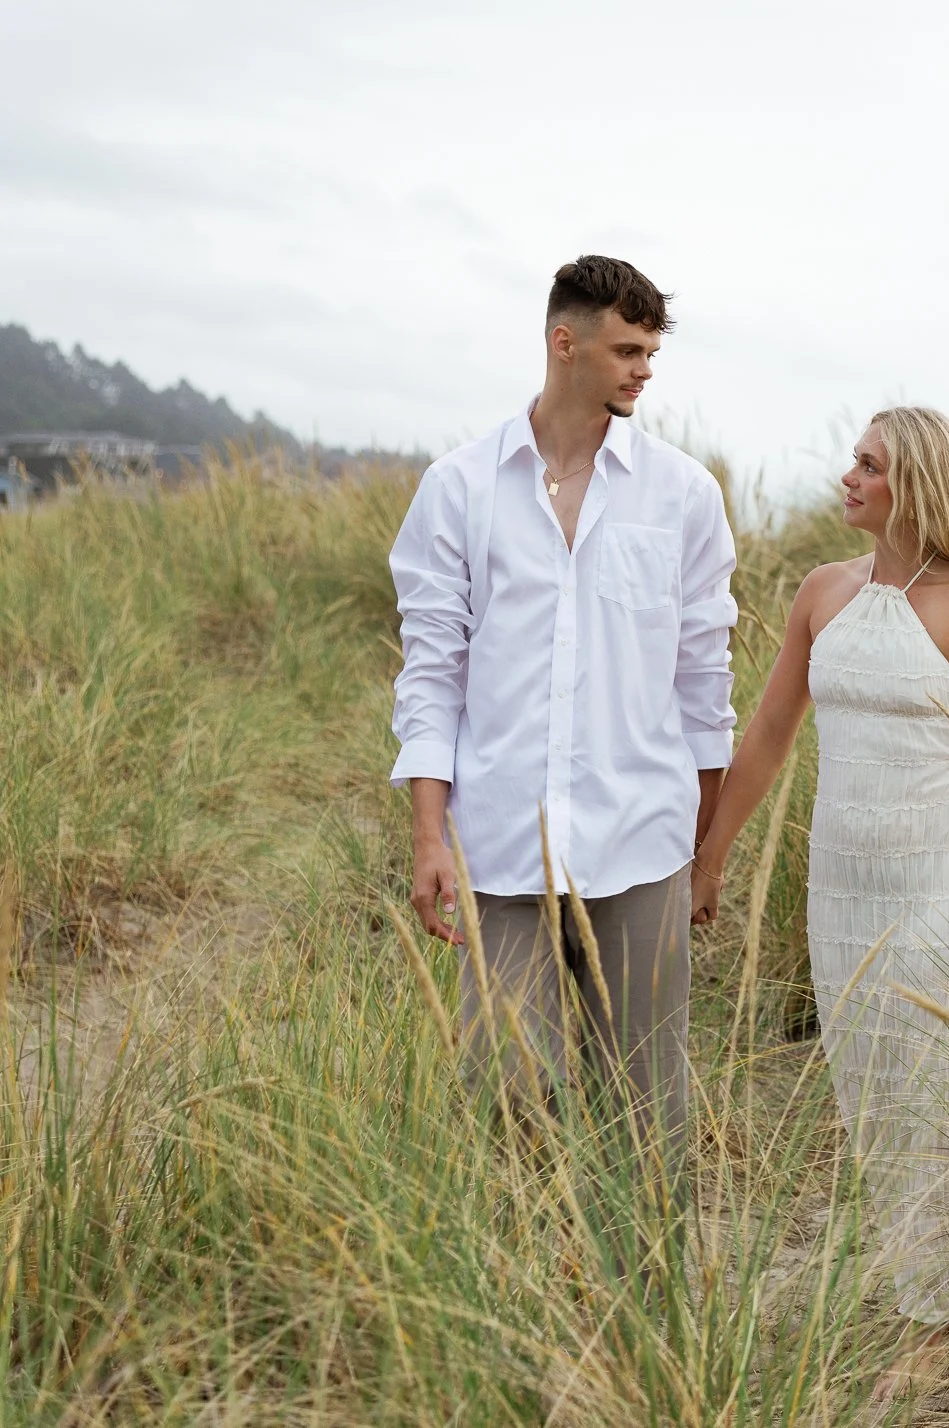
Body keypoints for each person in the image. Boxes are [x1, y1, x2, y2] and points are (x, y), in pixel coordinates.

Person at [689, 406, 949, 1399]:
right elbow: (768, 730)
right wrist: (713, 854)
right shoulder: (822, 593)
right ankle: (919, 1285)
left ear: (917, 486)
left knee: (945, 1087)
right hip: (843, 887)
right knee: (872, 1090)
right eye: (851, 458)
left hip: (946, 881)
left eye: (869, 464)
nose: (846, 476)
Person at [387, 255, 737, 1245]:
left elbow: (705, 689)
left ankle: (649, 1320)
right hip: (501, 848)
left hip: (643, 844)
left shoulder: (683, 497)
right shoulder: (457, 489)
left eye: (652, 353)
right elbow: (431, 676)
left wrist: (705, 850)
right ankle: (525, 1305)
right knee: (508, 1094)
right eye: (628, 350)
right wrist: (429, 837)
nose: (643, 372)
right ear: (564, 342)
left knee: (651, 1109)